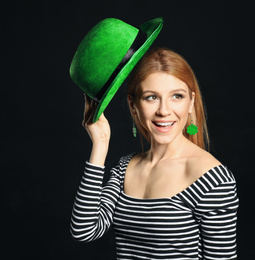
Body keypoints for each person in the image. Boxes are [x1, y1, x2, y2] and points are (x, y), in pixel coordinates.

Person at [70, 47, 239, 259]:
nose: (164, 110)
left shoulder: (213, 180)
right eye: (151, 97)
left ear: (191, 102)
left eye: (177, 96)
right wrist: (101, 143)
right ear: (133, 105)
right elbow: (84, 231)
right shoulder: (124, 168)